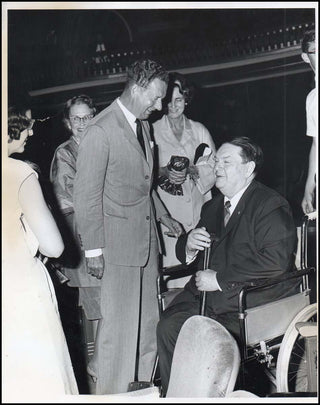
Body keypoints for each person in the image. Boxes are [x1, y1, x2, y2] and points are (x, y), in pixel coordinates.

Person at [156, 137, 299, 396]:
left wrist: (220, 279)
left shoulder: (269, 205)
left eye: (226, 162)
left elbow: (275, 261)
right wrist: (188, 245)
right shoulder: (212, 206)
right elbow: (194, 251)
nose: (217, 167)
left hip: (249, 301)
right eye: (216, 161)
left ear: (247, 168)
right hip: (208, 298)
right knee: (168, 326)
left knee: (211, 339)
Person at [73, 59, 183, 394]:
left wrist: (164, 215)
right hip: (116, 250)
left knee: (148, 330)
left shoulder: (143, 127)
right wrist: (93, 251)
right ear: (137, 88)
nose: (160, 105)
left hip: (146, 247)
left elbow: (142, 186)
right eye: (156, 97)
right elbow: (85, 196)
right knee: (118, 336)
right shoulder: (101, 130)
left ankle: (141, 394)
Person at [2, 107, 79, 401]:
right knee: (38, 375)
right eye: (27, 125)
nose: (32, 132)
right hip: (19, 287)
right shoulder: (20, 173)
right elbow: (54, 247)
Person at [50, 95, 102, 373]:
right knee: (97, 307)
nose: (82, 123)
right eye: (76, 118)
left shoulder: (101, 145)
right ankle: (96, 368)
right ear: (68, 123)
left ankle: (100, 366)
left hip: (102, 238)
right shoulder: (65, 152)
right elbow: (74, 197)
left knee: (104, 306)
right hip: (82, 242)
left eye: (87, 117)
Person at [153, 72, 216, 272]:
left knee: (200, 272)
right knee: (172, 273)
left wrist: (191, 170)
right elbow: (140, 174)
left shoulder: (200, 130)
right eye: (168, 101)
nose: (173, 106)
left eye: (178, 100)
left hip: (198, 212)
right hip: (168, 214)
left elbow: (215, 168)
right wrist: (163, 171)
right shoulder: (151, 131)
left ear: (186, 99)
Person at [301, 29, 317, 215]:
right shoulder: (312, 99)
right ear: (306, 57)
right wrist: (308, 188)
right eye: (316, 51)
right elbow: (316, 144)